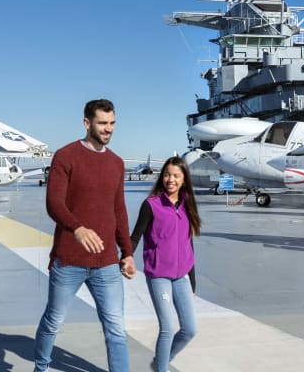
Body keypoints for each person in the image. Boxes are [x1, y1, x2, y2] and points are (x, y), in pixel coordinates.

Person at [33, 99, 136, 372]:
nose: (108, 129)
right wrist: (77, 228)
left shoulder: (116, 163)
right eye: (103, 123)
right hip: (69, 260)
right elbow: (54, 203)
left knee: (116, 328)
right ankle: (41, 367)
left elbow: (119, 211)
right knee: (53, 321)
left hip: (106, 264)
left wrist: (127, 253)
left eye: (112, 123)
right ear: (87, 122)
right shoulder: (66, 156)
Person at [130, 156, 201, 372]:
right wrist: (126, 259)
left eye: (176, 176)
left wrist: (193, 282)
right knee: (168, 328)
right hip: (159, 275)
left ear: (184, 179)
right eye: (167, 175)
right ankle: (161, 369)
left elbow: (189, 244)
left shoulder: (187, 203)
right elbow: (135, 237)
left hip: (182, 277)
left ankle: (160, 362)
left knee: (189, 329)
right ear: (162, 177)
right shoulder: (151, 205)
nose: (171, 179)